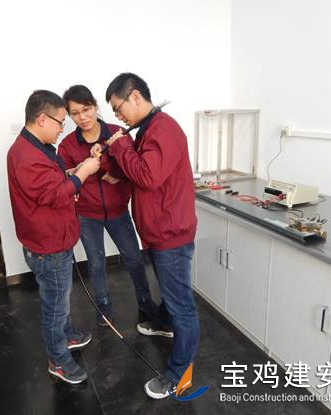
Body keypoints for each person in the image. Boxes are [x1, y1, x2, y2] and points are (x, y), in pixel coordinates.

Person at [98, 73, 199, 399]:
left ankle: (179, 374)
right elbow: (139, 170)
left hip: (171, 234)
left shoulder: (163, 129)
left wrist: (120, 143)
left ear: (135, 96)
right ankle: (164, 324)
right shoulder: (149, 128)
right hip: (158, 231)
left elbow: (148, 175)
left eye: (119, 109)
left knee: (182, 306)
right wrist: (113, 160)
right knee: (170, 291)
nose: (119, 117)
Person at [7, 90, 101, 384]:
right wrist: (84, 174)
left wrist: (73, 170)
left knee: (61, 297)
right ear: (42, 119)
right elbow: (54, 195)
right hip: (48, 247)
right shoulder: (26, 156)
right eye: (61, 122)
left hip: (55, 240)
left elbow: (51, 182)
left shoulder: (38, 146)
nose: (63, 128)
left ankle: (67, 335)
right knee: (55, 306)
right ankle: (58, 360)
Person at [58, 85, 159, 327]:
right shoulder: (67, 145)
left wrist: (115, 172)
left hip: (118, 211)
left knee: (134, 258)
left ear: (95, 106)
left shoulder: (117, 133)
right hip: (87, 215)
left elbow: (136, 168)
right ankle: (103, 306)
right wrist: (78, 171)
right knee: (96, 263)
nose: (82, 117)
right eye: (75, 113)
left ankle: (145, 300)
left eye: (86, 109)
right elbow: (66, 180)